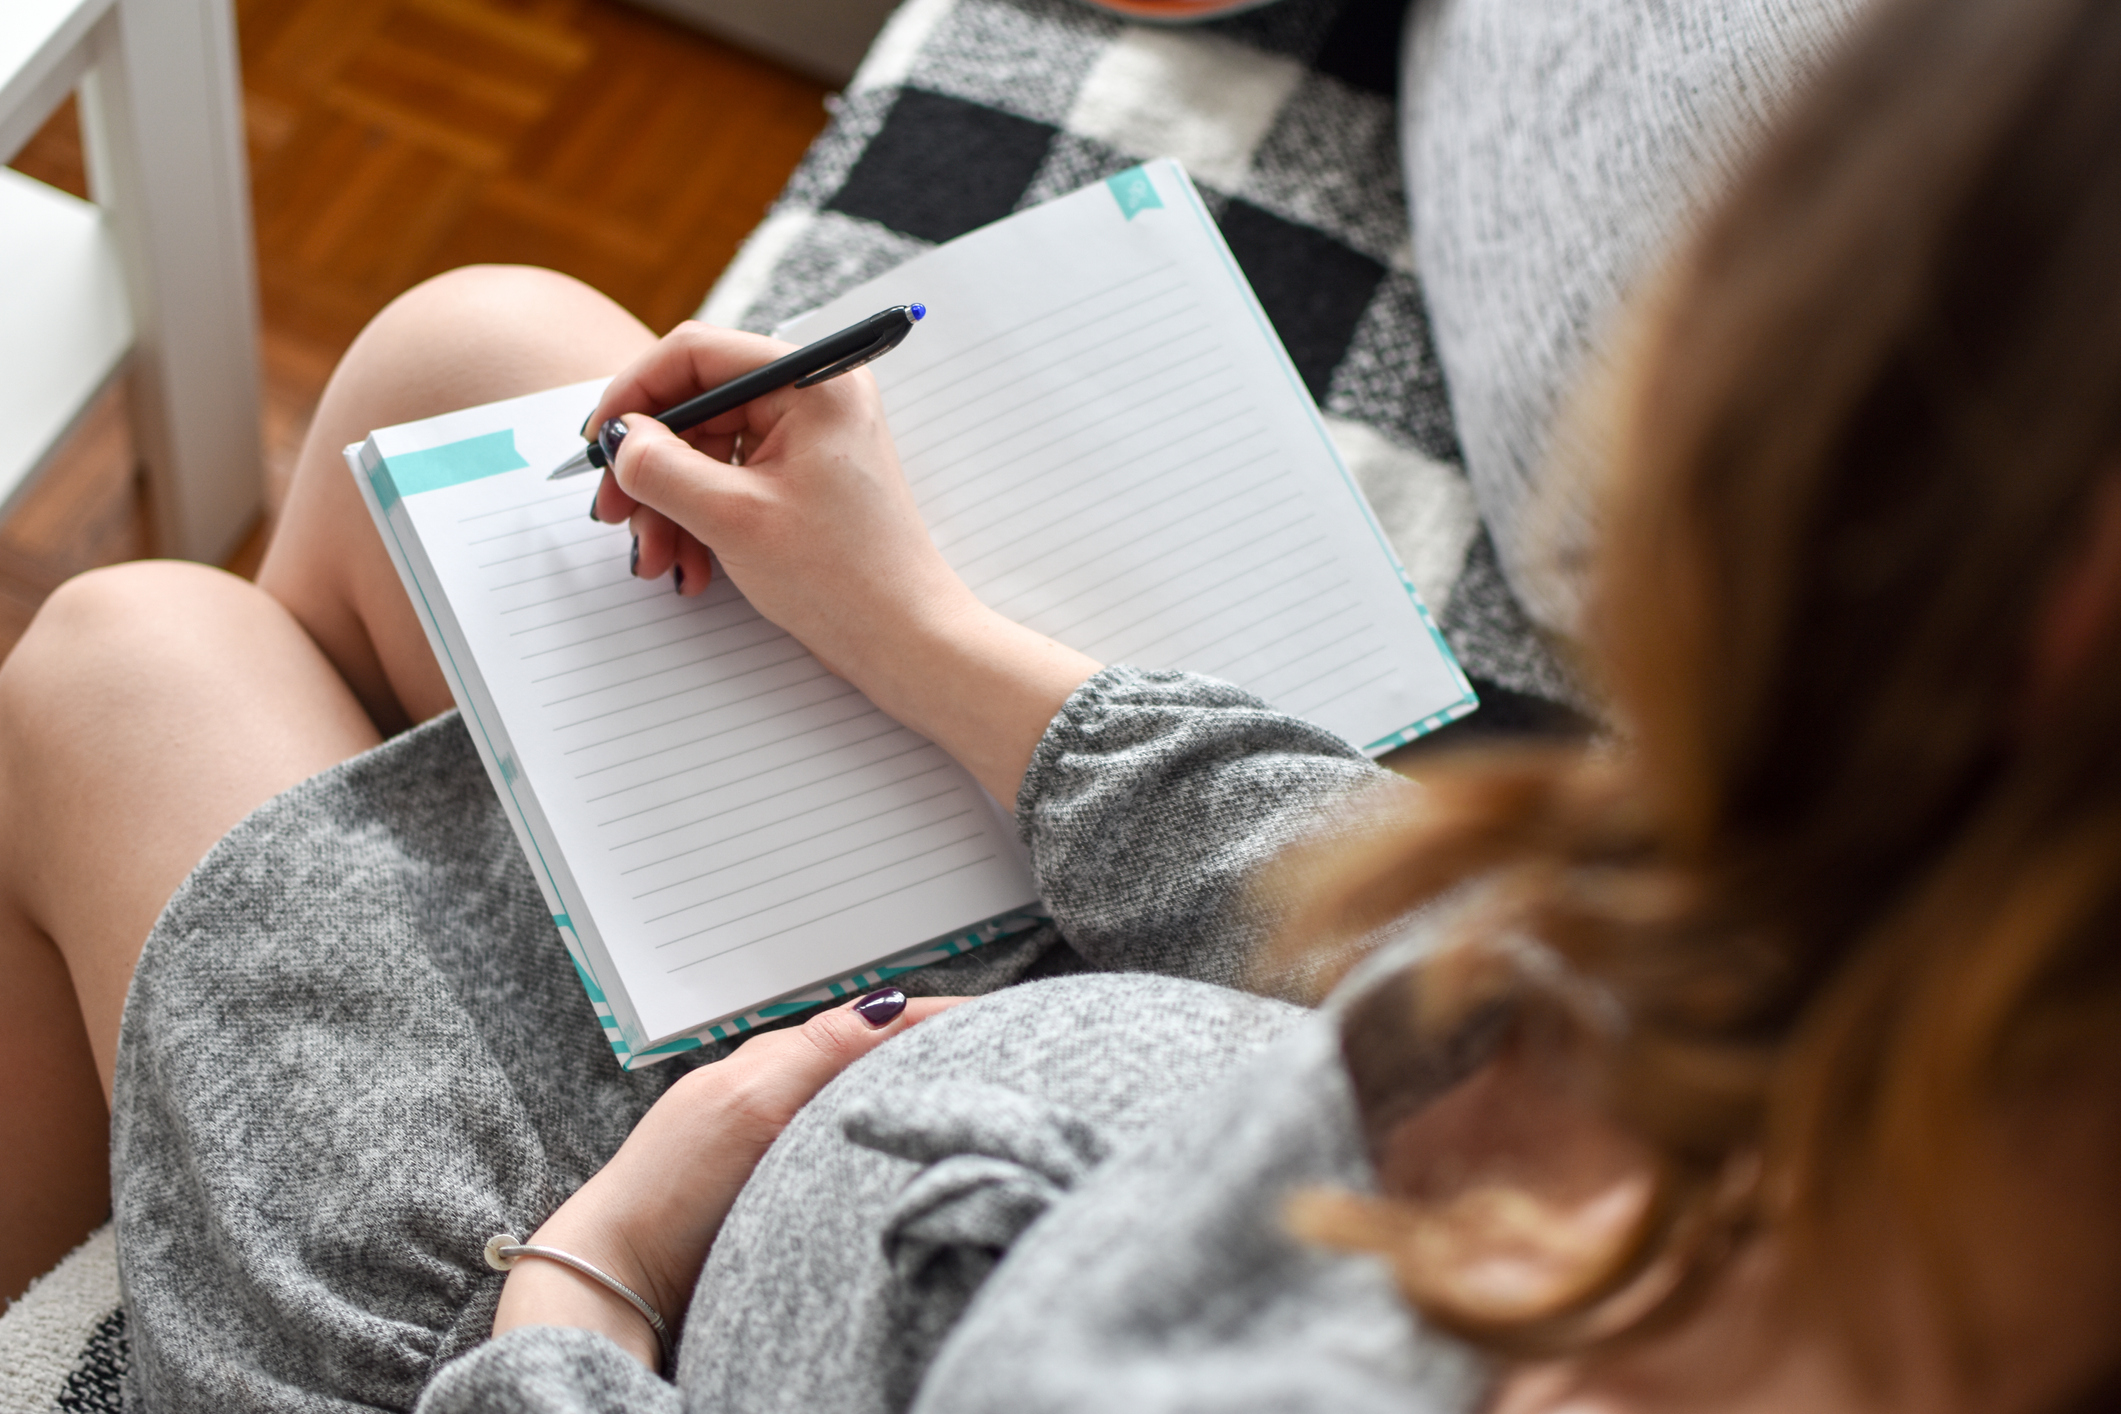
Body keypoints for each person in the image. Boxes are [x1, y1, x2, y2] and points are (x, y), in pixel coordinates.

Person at [4, 0, 2121, 1411]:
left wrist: (594, 1282)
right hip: (922, 1100)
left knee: (122, 662)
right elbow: (1439, 966)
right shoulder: (1896, 1067)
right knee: (473, 364)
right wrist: (914, 624)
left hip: (559, 1307)